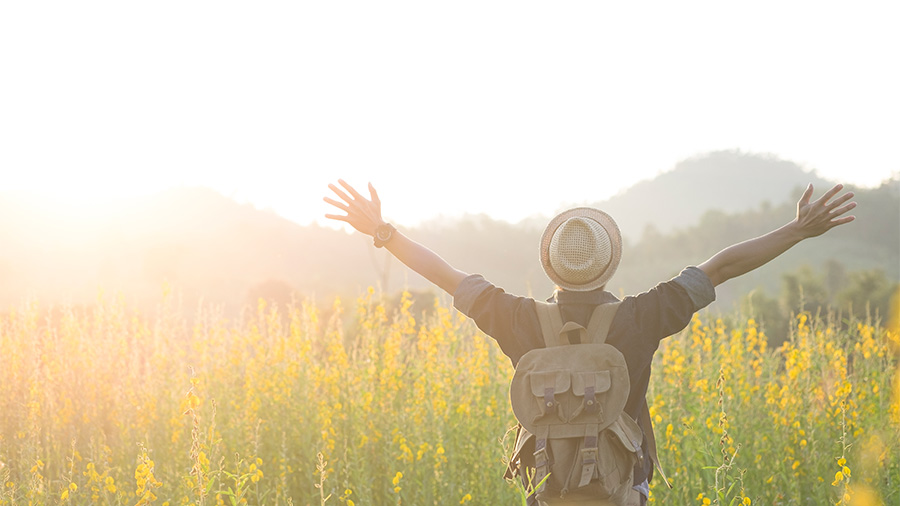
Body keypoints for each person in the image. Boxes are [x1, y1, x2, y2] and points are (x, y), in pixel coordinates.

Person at [324, 179, 856, 505]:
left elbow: (443, 273)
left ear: (550, 264)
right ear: (610, 263)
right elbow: (723, 265)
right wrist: (797, 231)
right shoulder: (643, 316)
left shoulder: (517, 320)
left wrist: (382, 231)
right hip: (625, 494)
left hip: (550, 497)